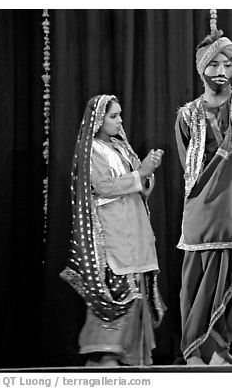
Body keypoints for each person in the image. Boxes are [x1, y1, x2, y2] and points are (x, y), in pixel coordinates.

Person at [175, 30, 232, 366]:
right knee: (197, 277)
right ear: (201, 69)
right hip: (201, 206)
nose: (221, 70)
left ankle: (220, 350)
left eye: (227, 63)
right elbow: (188, 168)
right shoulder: (188, 115)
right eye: (214, 64)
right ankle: (194, 350)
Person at [60, 94, 166, 367]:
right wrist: (141, 171)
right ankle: (105, 353)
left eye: (120, 115)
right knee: (117, 286)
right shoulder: (91, 150)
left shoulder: (121, 148)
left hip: (134, 224)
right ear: (98, 120)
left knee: (136, 284)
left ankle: (131, 353)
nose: (119, 122)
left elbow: (138, 186)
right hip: (111, 227)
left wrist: (147, 174)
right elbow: (104, 186)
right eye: (113, 116)